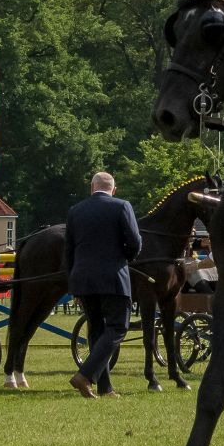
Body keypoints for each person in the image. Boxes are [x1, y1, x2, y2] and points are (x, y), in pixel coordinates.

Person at [66, 171, 141, 399]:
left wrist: (74, 285)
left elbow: (69, 252)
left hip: (84, 279)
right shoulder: (121, 206)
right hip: (113, 278)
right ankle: (85, 375)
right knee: (118, 327)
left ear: (92, 188)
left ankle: (105, 388)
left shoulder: (75, 211)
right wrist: (125, 257)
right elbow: (135, 242)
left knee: (97, 330)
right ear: (114, 190)